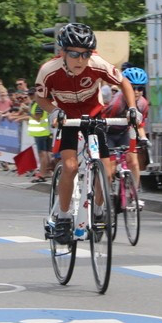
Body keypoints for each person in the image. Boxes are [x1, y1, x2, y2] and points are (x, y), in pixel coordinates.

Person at [35, 23, 140, 245]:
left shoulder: (97, 64)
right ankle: (63, 218)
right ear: (62, 52)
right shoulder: (48, 70)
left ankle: (100, 210)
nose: (80, 60)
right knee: (71, 166)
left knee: (106, 170)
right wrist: (54, 110)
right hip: (68, 118)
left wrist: (132, 108)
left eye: (85, 54)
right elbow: (40, 98)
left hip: (94, 116)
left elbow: (124, 83)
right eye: (74, 54)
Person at [102, 66, 150, 190]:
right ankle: (107, 194)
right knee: (110, 170)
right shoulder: (116, 104)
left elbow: (139, 125)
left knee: (133, 162)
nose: (137, 91)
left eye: (140, 88)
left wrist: (144, 138)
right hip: (108, 133)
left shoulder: (143, 104)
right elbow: (102, 123)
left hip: (125, 132)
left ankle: (134, 195)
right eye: (133, 88)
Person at [26, 97, 53, 183]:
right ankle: (47, 171)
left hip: (40, 132)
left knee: (42, 153)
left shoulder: (39, 105)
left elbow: (38, 118)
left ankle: (42, 174)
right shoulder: (47, 103)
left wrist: (28, 112)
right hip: (48, 131)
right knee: (48, 153)